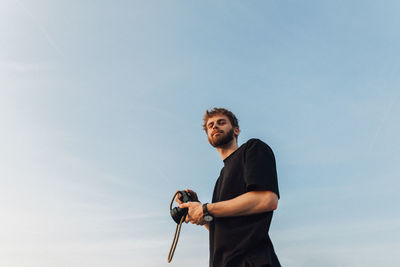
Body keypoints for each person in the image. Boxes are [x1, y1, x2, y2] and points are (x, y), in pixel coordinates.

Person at [177, 108, 281, 267]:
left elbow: (267, 199)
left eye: (221, 122)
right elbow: (222, 229)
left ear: (236, 130)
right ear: (208, 138)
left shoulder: (252, 149)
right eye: (210, 125)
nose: (214, 127)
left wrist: (205, 209)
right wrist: (201, 214)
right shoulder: (220, 178)